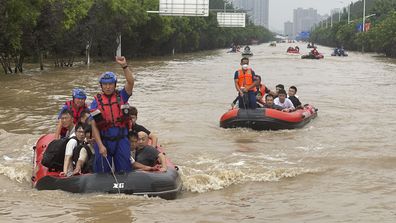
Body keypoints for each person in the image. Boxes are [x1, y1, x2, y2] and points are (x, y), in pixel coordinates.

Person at [90, 56, 134, 173]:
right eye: (105, 84)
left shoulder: (122, 95)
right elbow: (94, 125)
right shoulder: (96, 102)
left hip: (121, 140)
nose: (108, 87)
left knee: (125, 170)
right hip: (104, 140)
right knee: (102, 172)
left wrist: (124, 66)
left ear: (115, 85)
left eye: (110, 84)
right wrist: (100, 146)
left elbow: (131, 82)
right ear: (101, 86)